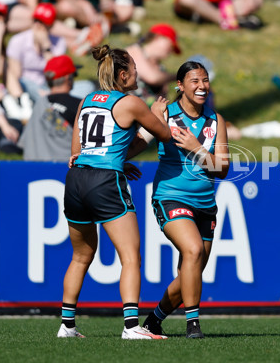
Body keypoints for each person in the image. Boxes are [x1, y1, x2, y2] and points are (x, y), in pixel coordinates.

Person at [58, 45, 172, 340]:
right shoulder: (131, 102)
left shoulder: (85, 100)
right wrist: (158, 114)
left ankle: (66, 326)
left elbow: (77, 152)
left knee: (80, 256)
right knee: (131, 256)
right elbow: (164, 134)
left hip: (76, 179)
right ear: (123, 75)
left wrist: (119, 158)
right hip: (105, 181)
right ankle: (132, 326)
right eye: (134, 68)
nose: (137, 73)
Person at [140, 61, 229, 339]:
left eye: (205, 81)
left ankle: (153, 321)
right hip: (170, 196)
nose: (202, 86)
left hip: (205, 204)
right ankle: (193, 325)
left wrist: (197, 149)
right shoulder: (164, 113)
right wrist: (108, 161)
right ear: (180, 85)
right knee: (192, 251)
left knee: (190, 273)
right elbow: (136, 144)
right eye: (194, 81)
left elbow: (222, 169)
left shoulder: (216, 120)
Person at [18, 55, 81, 161]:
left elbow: (23, 143)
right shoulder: (80, 106)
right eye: (74, 74)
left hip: (32, 171)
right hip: (64, 171)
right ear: (67, 77)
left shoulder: (39, 104)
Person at [126, 23, 181, 104]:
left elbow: (162, 100)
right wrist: (181, 76)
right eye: (171, 46)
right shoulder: (133, 50)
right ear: (158, 38)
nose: (171, 51)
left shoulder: (161, 68)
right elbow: (153, 78)